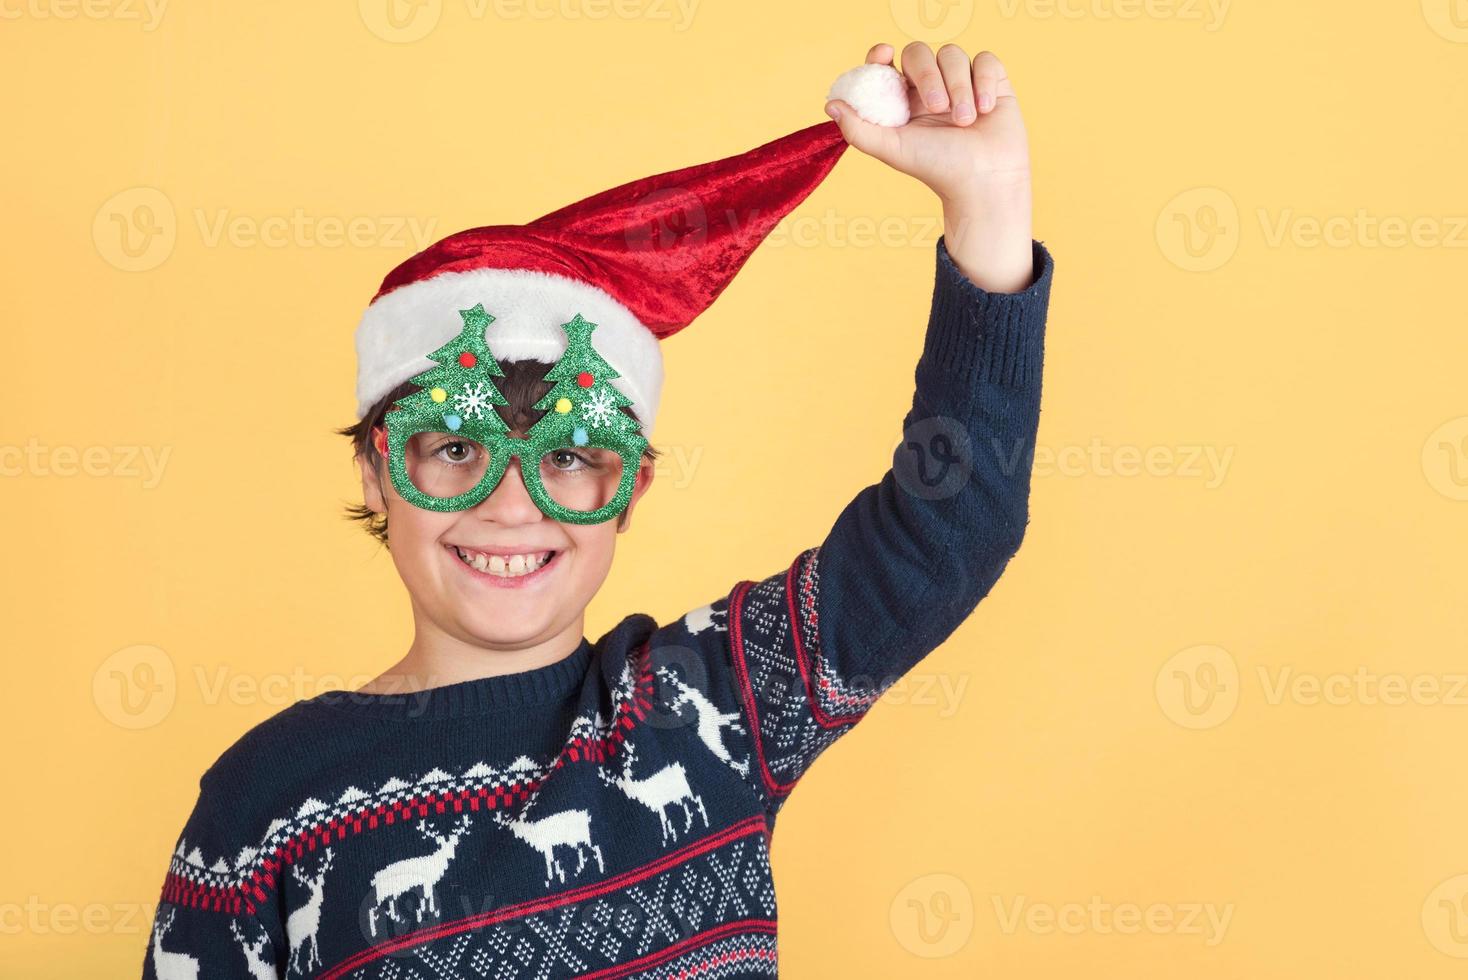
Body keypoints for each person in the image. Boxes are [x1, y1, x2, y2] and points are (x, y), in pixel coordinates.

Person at [142, 41, 1054, 978]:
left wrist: (988, 209)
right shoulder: (270, 801)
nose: (509, 505)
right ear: (379, 473)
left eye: (568, 457)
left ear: (629, 491)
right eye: (456, 450)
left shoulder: (713, 707)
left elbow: (955, 524)